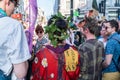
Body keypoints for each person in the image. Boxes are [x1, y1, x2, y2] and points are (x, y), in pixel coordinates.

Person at [31, 15, 80, 80]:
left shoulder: (41, 54)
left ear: (49, 33)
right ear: (65, 32)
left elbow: (36, 76)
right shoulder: (75, 52)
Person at [0, 0, 31, 80]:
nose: (14, 9)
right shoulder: (13, 25)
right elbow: (20, 73)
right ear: (7, 2)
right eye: (16, 4)